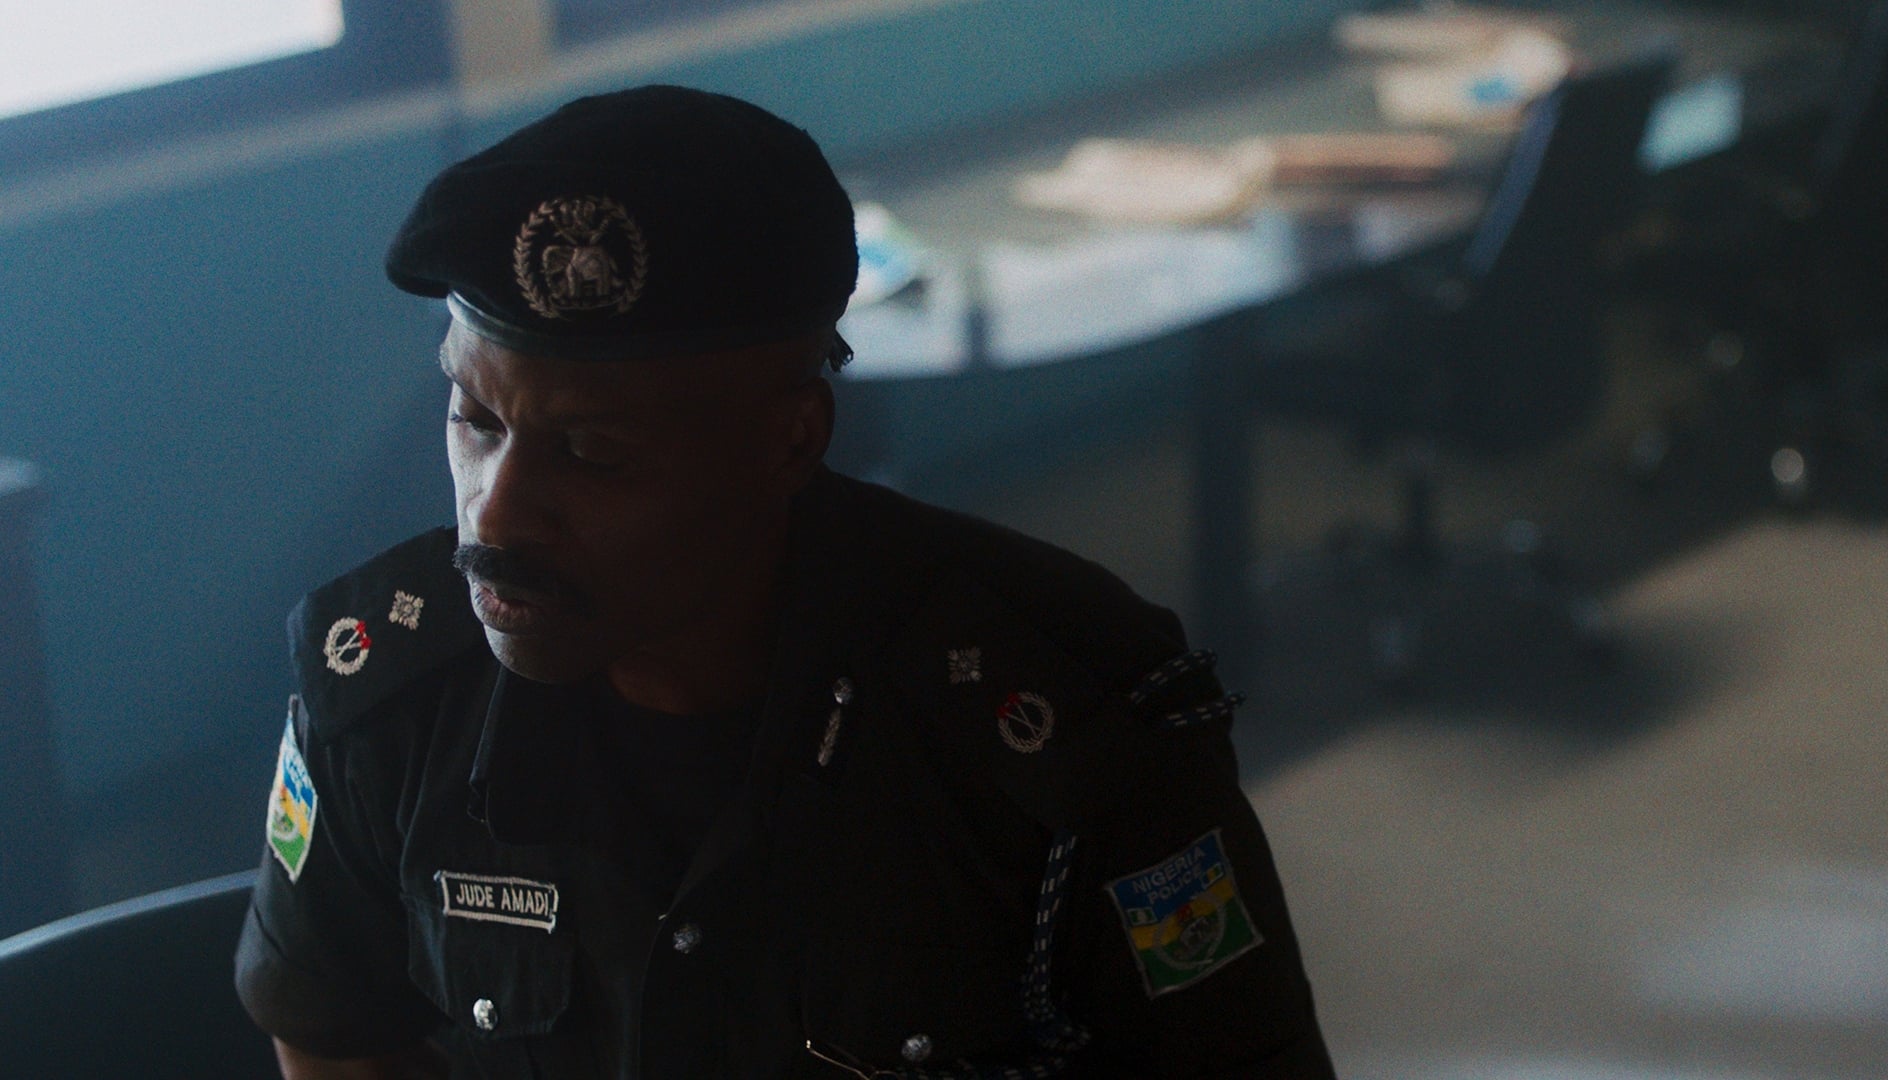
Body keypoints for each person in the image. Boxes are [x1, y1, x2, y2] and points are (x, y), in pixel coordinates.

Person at [233, 84, 1337, 1080]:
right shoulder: (389, 691)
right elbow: (331, 1032)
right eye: (475, 419)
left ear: (789, 440)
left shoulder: (1060, 729)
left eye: (592, 453)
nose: (497, 512)